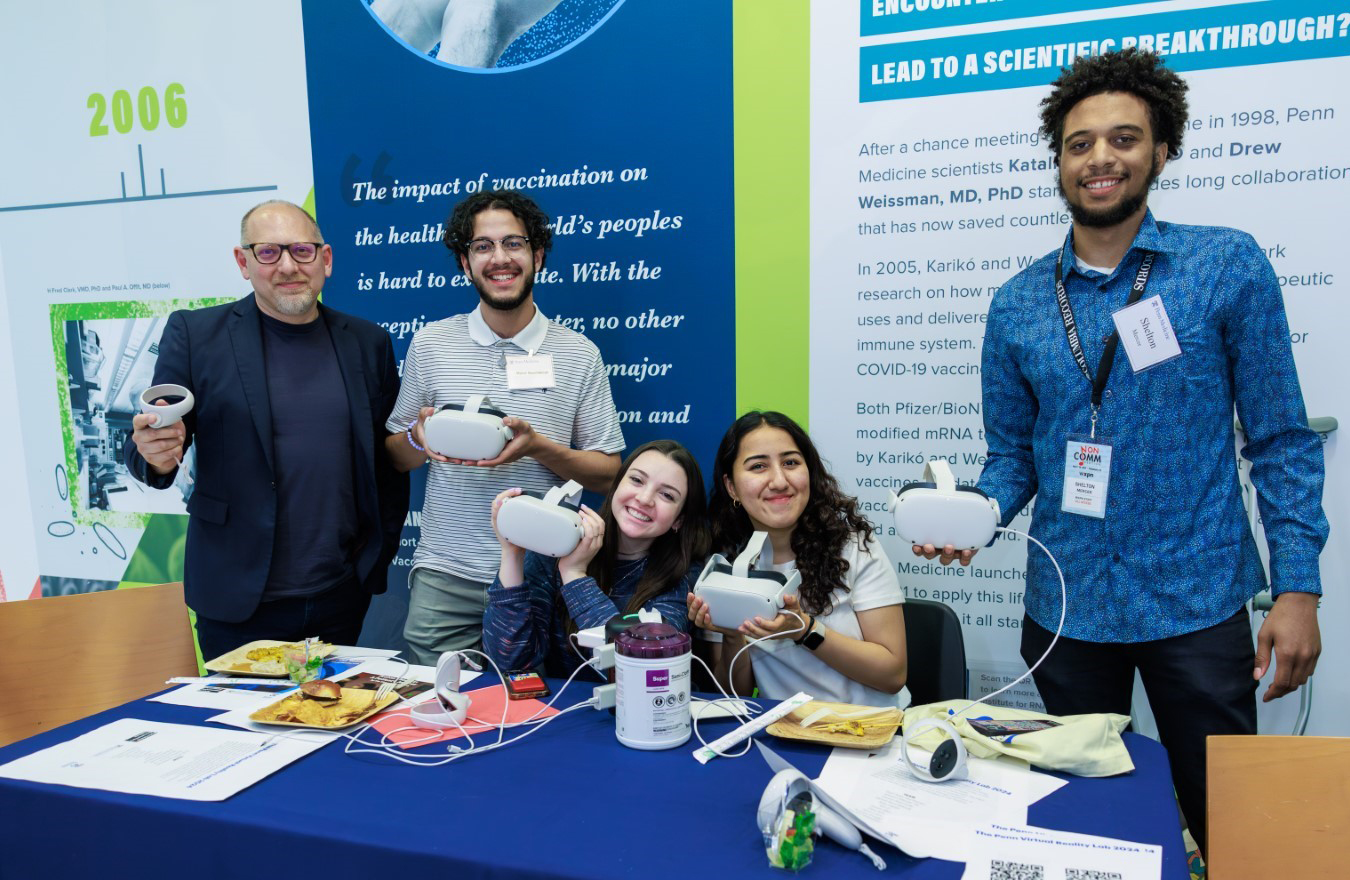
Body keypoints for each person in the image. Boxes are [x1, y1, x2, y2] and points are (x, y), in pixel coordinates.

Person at [919, 49, 1327, 850]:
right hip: (1068, 609)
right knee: (1085, 832)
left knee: (1233, 826)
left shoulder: (1225, 267)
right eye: (1079, 144)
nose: (1101, 158)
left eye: (1124, 138)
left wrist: (1298, 590)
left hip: (1198, 599)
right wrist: (976, 515)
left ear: (1160, 152)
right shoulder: (1017, 305)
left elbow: (1280, 439)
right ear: (1060, 162)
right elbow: (1013, 458)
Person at [126, 200, 410, 661]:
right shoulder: (196, 336)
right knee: (241, 731)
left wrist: (371, 562)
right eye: (268, 253)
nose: (288, 267)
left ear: (326, 259)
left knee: (331, 724)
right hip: (236, 598)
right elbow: (157, 433)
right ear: (243, 262)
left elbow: (385, 463)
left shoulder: (367, 342)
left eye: (301, 251)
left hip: (340, 594)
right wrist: (154, 454)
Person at [386, 189, 624, 665]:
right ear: (464, 261)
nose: (500, 258)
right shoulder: (431, 345)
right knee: (436, 719)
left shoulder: (579, 354)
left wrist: (536, 447)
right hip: (446, 575)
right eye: (483, 246)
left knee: (536, 714)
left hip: (542, 570)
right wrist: (422, 438)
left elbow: (608, 473)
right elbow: (394, 454)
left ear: (537, 255)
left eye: (513, 244)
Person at [688, 411, 907, 707]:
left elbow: (893, 674)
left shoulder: (852, 546)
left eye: (791, 463)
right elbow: (733, 696)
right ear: (731, 487)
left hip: (872, 731)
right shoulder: (725, 565)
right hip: (784, 732)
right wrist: (730, 637)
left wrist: (805, 630)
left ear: (809, 472)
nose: (779, 481)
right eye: (758, 466)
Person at [482, 439, 710, 677]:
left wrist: (574, 575)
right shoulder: (558, 546)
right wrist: (512, 553)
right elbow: (508, 662)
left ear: (679, 520)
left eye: (666, 495)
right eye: (636, 480)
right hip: (563, 707)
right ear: (616, 486)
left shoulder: (683, 577)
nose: (644, 498)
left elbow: (641, 668)